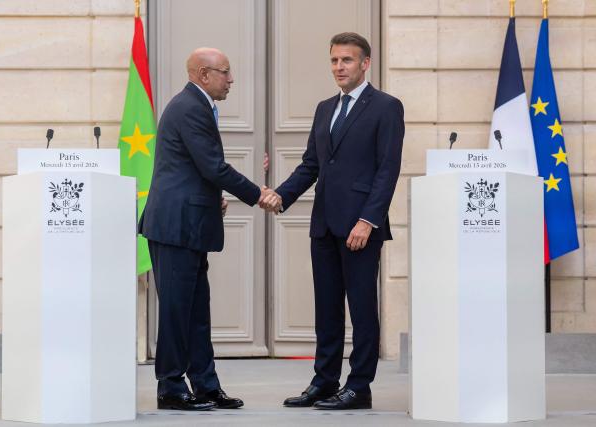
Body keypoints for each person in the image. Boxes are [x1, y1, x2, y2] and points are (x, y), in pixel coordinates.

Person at [261, 32, 404, 410]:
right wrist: (281, 195)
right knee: (326, 309)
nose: (339, 67)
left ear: (365, 63)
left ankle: (359, 387)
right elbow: (312, 164)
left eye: (346, 60)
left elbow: (387, 169)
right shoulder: (325, 108)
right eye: (334, 61)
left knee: (361, 310)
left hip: (360, 227)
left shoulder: (386, 107)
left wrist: (368, 220)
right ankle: (324, 381)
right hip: (324, 223)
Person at [139, 47, 276, 411]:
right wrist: (258, 194)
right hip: (175, 227)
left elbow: (190, 169)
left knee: (197, 312)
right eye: (225, 72)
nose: (231, 80)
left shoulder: (196, 106)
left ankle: (205, 386)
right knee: (176, 310)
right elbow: (213, 166)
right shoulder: (190, 108)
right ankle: (170, 386)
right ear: (203, 74)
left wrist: (210, 196)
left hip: (188, 223)